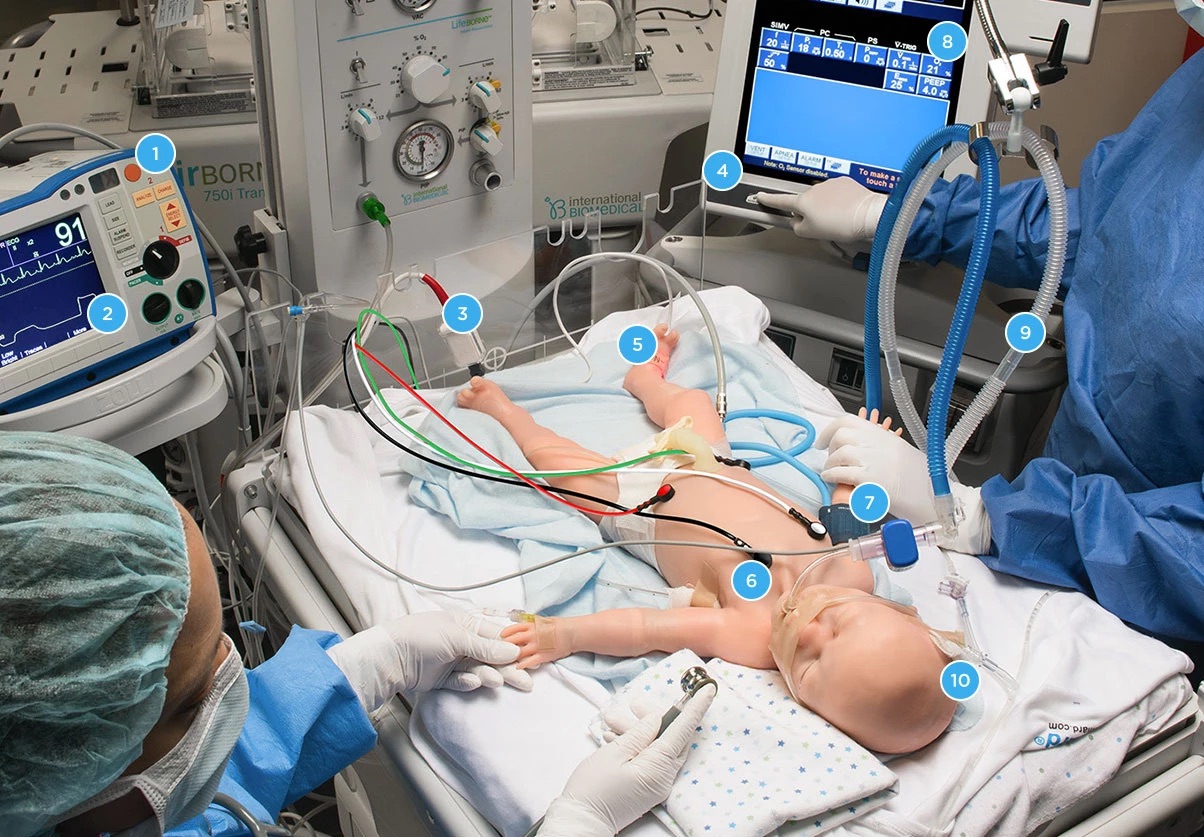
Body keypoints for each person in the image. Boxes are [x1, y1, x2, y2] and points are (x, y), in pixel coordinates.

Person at [756, 11, 1204, 667]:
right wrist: (898, 216)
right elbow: (1109, 227)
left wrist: (987, 516)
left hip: (1156, 607)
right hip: (1055, 528)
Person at [0, 431, 715, 837]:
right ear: (61, 767)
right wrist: (580, 821)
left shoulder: (70, 797)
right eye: (192, 700)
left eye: (225, 647)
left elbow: (190, 777)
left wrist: (371, 665)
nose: (231, 680)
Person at [456, 325, 960, 754]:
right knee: (691, 403)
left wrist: (563, 635)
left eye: (808, 669)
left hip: (641, 505)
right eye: (838, 624)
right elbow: (843, 510)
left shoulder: (753, 634)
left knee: (558, 465)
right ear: (897, 610)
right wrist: (863, 459)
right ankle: (645, 380)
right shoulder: (855, 569)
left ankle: (502, 409)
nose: (806, 634)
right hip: (712, 461)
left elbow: (648, 628)